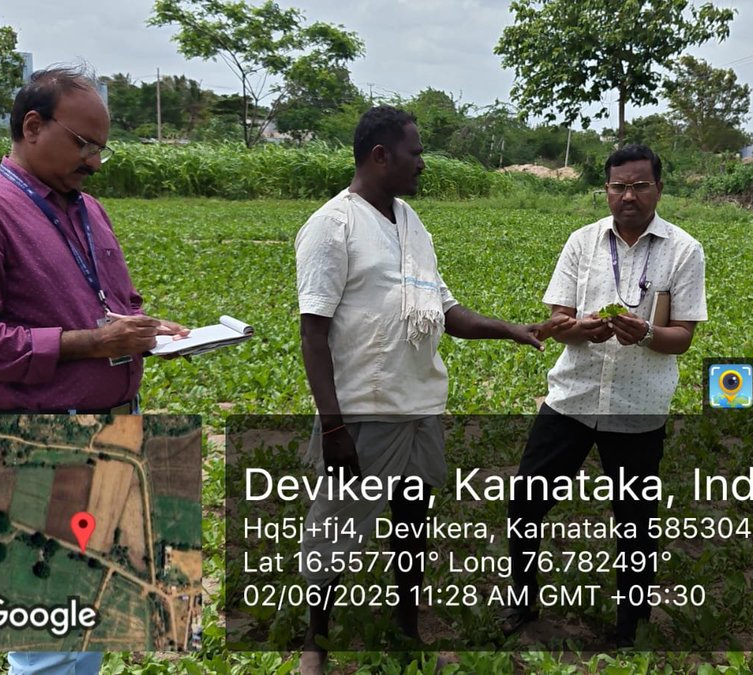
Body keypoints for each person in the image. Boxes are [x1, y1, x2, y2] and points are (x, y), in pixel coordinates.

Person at [293, 105, 569, 673]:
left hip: (420, 407)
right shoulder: (332, 226)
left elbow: (444, 309)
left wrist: (508, 331)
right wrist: (334, 425)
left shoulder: (411, 222)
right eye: (415, 152)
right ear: (380, 156)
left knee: (412, 524)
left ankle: (406, 624)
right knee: (336, 537)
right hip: (364, 411)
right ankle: (314, 644)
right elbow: (313, 335)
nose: (423, 163)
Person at [0, 65, 187, 675]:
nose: (95, 161)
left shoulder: (87, 210)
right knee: (46, 644)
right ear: (31, 125)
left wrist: (141, 327)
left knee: (92, 622)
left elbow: (109, 305)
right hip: (37, 438)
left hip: (113, 432)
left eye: (102, 147)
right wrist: (89, 343)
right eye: (83, 143)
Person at [502, 144, 707, 647]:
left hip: (639, 406)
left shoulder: (684, 250)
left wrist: (647, 336)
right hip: (572, 398)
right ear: (606, 190)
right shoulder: (582, 242)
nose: (628, 195)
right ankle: (522, 603)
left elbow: (683, 334)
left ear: (658, 188)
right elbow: (556, 318)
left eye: (639, 185)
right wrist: (580, 329)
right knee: (526, 503)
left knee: (635, 521)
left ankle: (629, 626)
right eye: (619, 186)